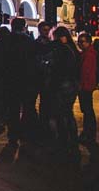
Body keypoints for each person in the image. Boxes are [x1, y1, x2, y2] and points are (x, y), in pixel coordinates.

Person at [0, 17, 37, 144]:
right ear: (24, 26)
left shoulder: (5, 40)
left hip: (10, 79)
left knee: (12, 108)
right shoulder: (29, 41)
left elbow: (0, 61)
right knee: (27, 107)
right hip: (26, 79)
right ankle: (25, 133)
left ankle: (13, 135)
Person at [47, 26, 79, 154]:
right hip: (71, 84)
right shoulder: (72, 49)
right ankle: (72, 139)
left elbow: (58, 69)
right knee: (68, 113)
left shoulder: (61, 49)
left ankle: (64, 140)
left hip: (62, 84)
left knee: (61, 113)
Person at [77, 32, 96, 146]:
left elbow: (85, 72)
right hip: (87, 85)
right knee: (87, 109)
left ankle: (89, 133)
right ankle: (89, 132)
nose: (80, 44)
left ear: (89, 42)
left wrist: (80, 85)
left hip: (86, 86)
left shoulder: (89, 55)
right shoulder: (86, 53)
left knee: (87, 109)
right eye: (79, 41)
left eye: (82, 42)